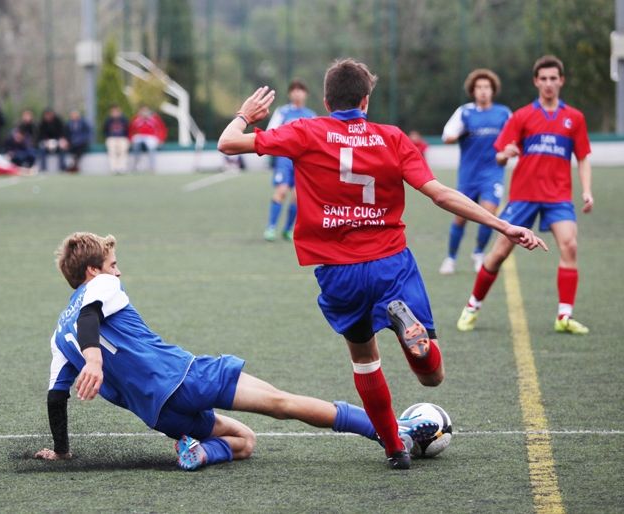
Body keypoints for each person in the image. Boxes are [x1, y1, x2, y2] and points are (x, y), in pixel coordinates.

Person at [218, 59, 547, 468]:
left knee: (365, 360)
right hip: (392, 263)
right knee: (432, 377)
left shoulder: (305, 131)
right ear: (366, 100)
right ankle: (417, 344)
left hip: (339, 272)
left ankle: (394, 448)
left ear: (325, 100)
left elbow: (228, 143)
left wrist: (244, 116)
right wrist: (503, 224)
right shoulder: (391, 138)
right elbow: (441, 194)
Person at [36, 232, 440, 471]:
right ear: (92, 271)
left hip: (160, 414)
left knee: (244, 441)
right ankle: (391, 433)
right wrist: (94, 357)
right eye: (112, 264)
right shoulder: (98, 288)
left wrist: (62, 449)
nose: (118, 271)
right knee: (284, 403)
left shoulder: (58, 334)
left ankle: (199, 453)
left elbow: (57, 396)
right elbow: (90, 314)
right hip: (189, 377)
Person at [457, 55, 593, 335]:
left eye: (553, 78)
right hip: (523, 196)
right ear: (536, 82)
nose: (548, 84)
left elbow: (583, 157)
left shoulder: (574, 118)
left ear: (561, 81)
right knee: (498, 253)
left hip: (558, 196)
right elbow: (498, 156)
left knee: (570, 245)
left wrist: (588, 190)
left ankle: (564, 316)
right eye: (543, 79)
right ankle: (472, 306)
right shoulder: (521, 116)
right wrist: (506, 153)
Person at [439, 69, 512, 275]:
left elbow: (514, 137)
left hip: (492, 174)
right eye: (479, 87)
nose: (483, 91)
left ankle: (478, 253)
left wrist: (509, 150)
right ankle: (451, 258)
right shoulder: (465, 112)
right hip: (468, 176)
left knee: (489, 214)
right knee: (460, 218)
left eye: (486, 87)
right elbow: (447, 135)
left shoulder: (503, 113)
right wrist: (454, 136)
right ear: (473, 90)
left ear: (493, 90)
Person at [263, 80, 316, 242]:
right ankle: (271, 228)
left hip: (302, 162)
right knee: (281, 191)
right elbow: (270, 131)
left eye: (300, 90)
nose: (297, 93)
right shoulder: (282, 112)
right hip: (285, 159)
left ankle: (287, 229)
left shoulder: (311, 115)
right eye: (293, 90)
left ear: (306, 94)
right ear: (289, 94)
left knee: (298, 197)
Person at [129, 106, 167, 173]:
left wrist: (161, 139)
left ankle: (152, 167)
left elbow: (162, 129)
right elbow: (131, 130)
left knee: (151, 148)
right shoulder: (136, 119)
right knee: (136, 146)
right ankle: (136, 166)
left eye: (146, 111)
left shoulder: (155, 118)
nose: (144, 113)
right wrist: (130, 139)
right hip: (140, 136)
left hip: (151, 137)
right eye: (143, 111)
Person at [103, 105, 129, 174]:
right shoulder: (108, 120)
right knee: (112, 152)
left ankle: (122, 168)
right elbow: (105, 130)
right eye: (113, 112)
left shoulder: (124, 119)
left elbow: (128, 129)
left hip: (122, 138)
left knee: (123, 152)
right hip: (111, 138)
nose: (115, 113)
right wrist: (108, 136)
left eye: (116, 111)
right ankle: (113, 168)